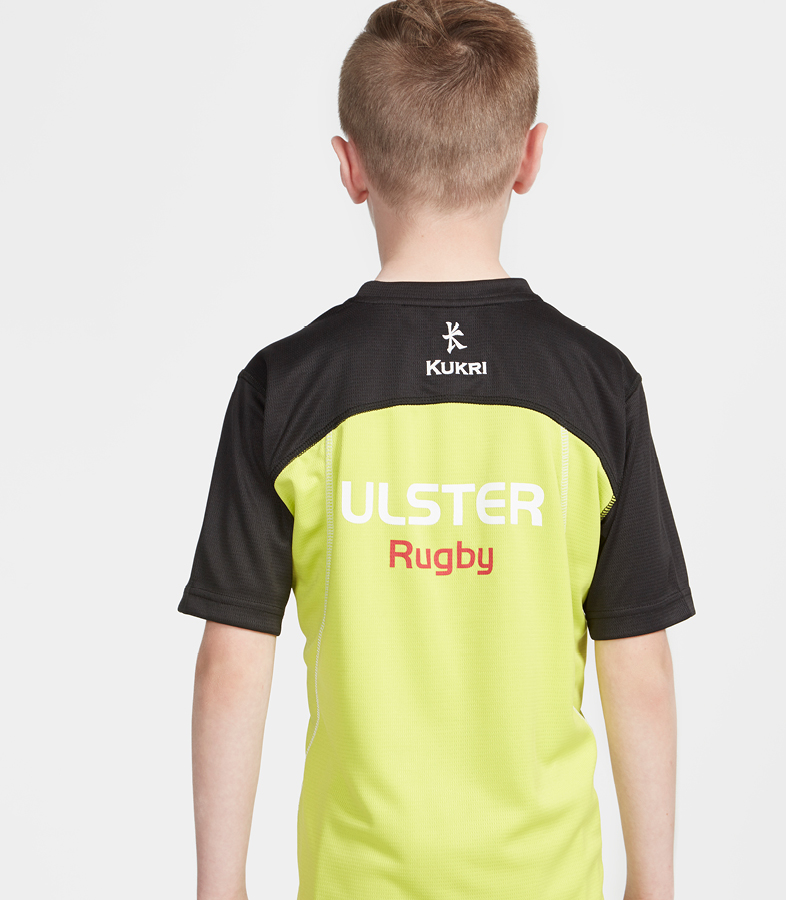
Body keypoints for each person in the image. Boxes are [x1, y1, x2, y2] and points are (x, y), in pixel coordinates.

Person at [177, 2, 695, 899]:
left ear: (350, 166)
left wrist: (219, 889)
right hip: (547, 880)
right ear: (530, 157)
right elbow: (638, 663)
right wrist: (653, 887)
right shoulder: (597, 385)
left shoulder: (286, 386)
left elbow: (234, 656)